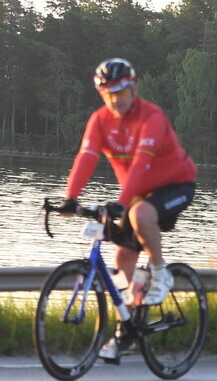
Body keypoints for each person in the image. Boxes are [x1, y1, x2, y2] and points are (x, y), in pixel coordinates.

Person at [57, 58, 198, 360]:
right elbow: (87, 157)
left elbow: (141, 164)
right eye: (108, 94)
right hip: (139, 192)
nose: (115, 100)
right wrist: (71, 197)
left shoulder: (151, 117)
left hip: (177, 185)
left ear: (134, 89)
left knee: (139, 214)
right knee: (123, 260)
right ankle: (128, 330)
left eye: (121, 92)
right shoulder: (99, 120)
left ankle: (161, 273)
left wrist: (121, 203)